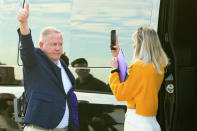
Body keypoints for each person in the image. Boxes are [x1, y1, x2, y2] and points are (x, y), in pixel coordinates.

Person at [17, 3, 79, 131]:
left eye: (60, 44)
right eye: (53, 44)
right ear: (41, 45)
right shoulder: (35, 61)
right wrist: (24, 24)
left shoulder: (62, 65)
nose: (58, 48)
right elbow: (26, 48)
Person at [109, 27, 169, 131]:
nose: (133, 46)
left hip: (137, 121)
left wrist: (114, 71)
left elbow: (121, 93)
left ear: (142, 45)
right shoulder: (158, 67)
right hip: (150, 121)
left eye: (135, 42)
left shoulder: (140, 67)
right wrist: (119, 56)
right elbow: (136, 84)